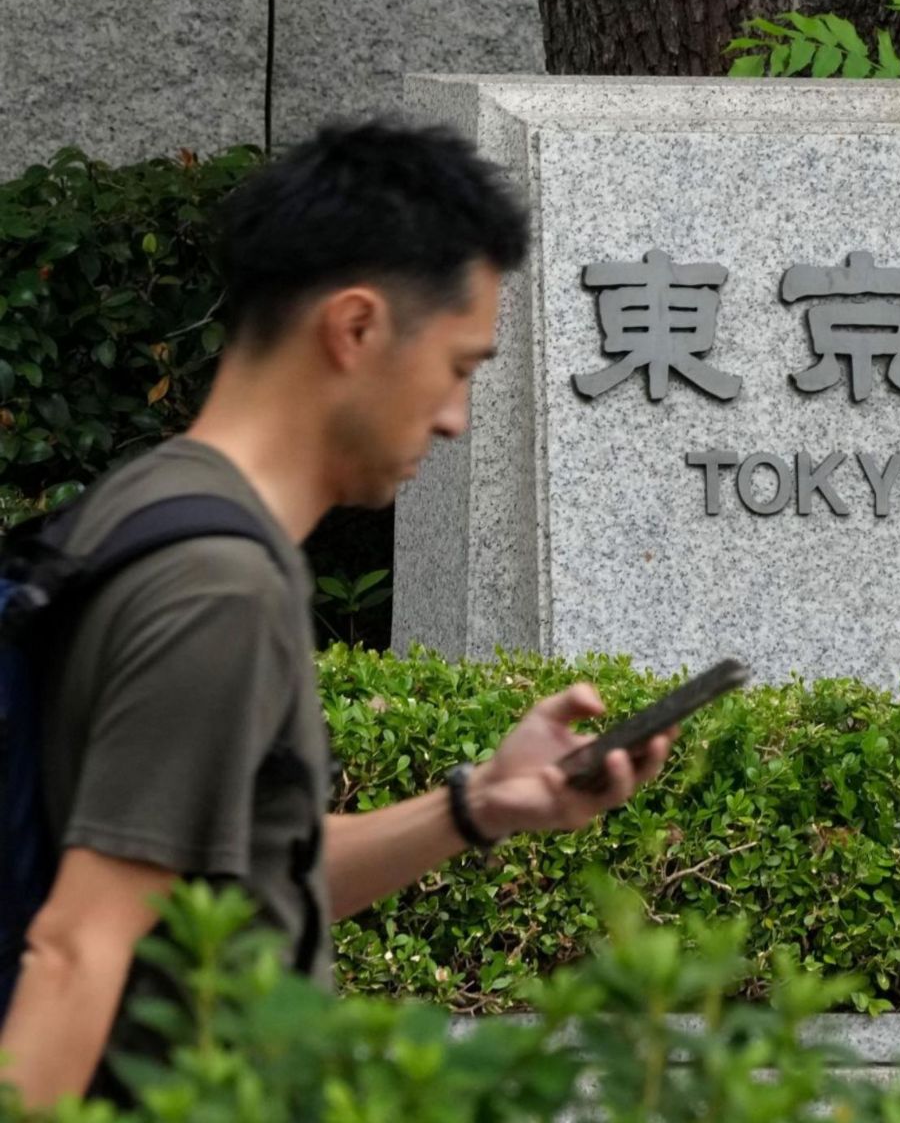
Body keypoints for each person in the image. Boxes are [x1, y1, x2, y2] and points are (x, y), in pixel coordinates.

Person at [0, 118, 675, 1109]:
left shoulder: (146, 504)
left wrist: (477, 805)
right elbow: (76, 948)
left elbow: (236, 884)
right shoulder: (217, 588)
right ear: (354, 328)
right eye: (456, 366)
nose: (453, 418)